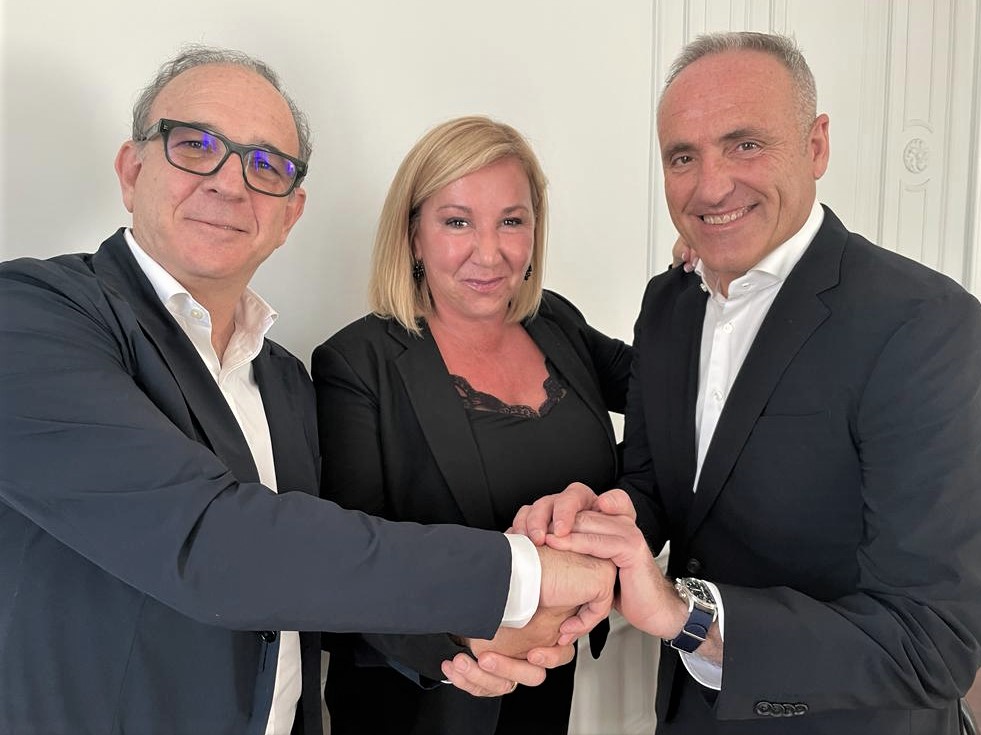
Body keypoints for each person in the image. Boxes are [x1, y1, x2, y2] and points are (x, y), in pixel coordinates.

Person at [0, 47, 618, 735]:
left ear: (291, 213)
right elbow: (214, 541)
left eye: (265, 165)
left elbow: (319, 581)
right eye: (195, 145)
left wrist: (460, 639)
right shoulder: (31, 315)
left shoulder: (283, 379)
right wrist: (519, 575)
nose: (229, 184)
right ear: (132, 169)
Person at [515, 31, 981, 734]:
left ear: (816, 146)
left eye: (745, 144)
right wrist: (607, 518)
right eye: (683, 157)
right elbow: (656, 482)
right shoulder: (668, 304)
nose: (710, 186)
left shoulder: (922, 322)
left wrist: (685, 615)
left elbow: (930, 644)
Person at [311, 115, 633, 735]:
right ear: (413, 237)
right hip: (424, 698)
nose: (489, 253)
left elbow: (671, 390)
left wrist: (699, 281)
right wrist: (460, 649)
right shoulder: (356, 363)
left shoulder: (556, 323)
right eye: (457, 222)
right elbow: (349, 561)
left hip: (548, 679)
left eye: (511, 221)